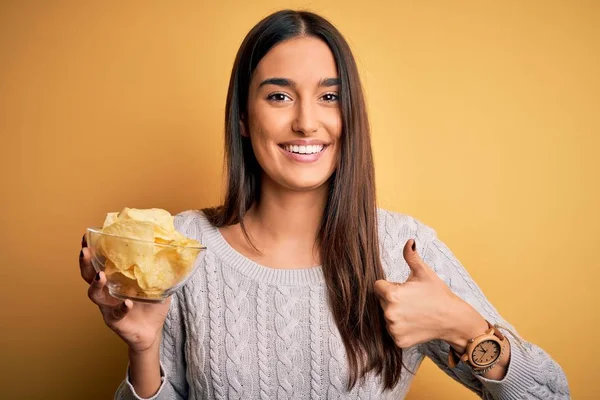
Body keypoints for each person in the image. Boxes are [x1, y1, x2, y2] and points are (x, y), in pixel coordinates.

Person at [79, 9, 570, 400]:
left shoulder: (403, 249)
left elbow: (553, 396)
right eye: (278, 97)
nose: (307, 123)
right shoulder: (183, 248)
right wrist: (143, 349)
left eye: (330, 96)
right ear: (244, 119)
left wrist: (464, 327)